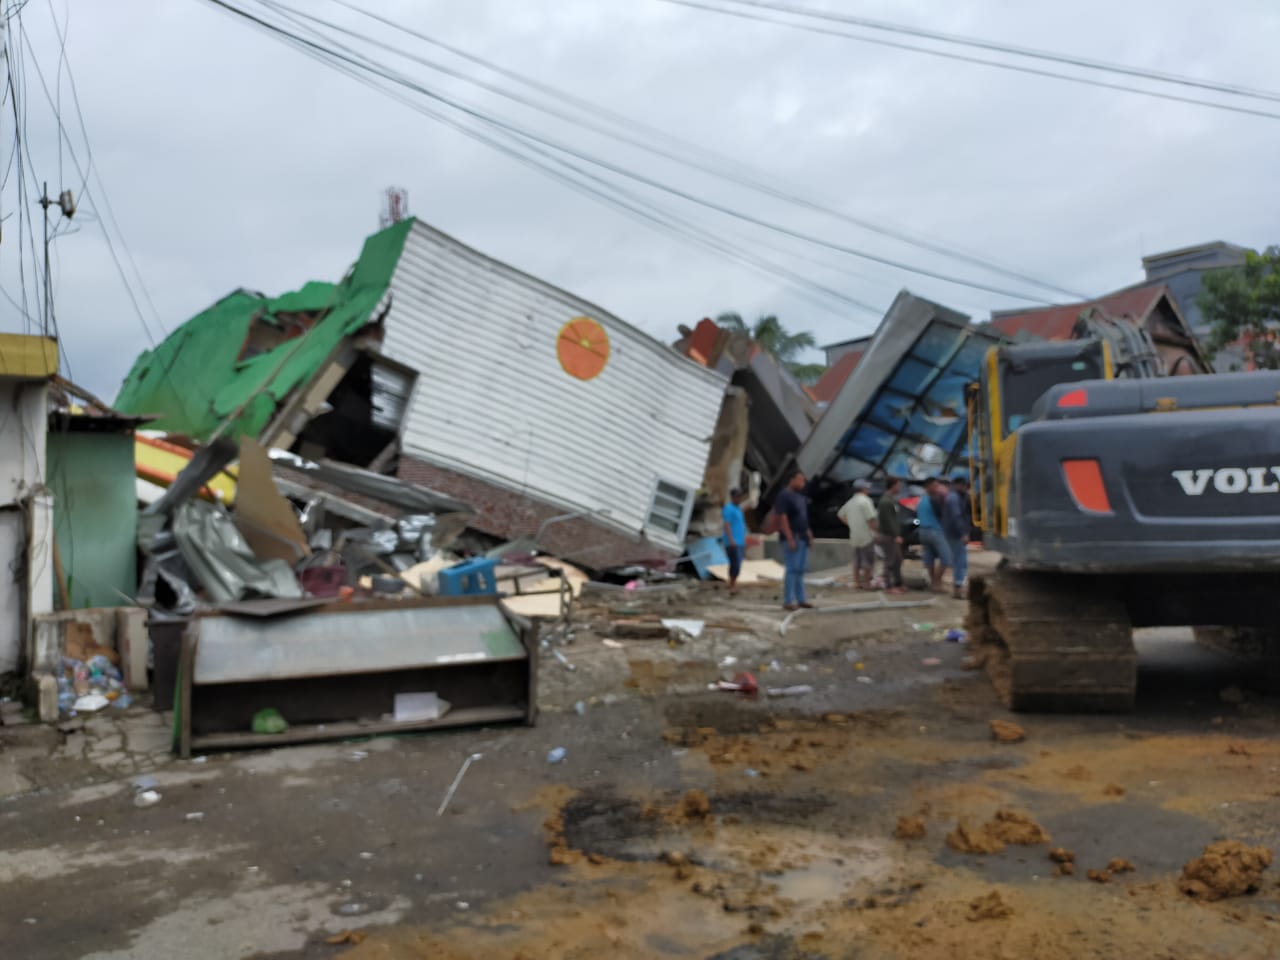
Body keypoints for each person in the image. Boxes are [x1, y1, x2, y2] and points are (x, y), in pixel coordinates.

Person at [774, 470, 814, 611]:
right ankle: (788, 600)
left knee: (801, 569)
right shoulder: (784, 496)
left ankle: (801, 598)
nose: (802, 483)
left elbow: (803, 517)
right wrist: (789, 537)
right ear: (792, 480)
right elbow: (782, 518)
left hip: (803, 535)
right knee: (792, 569)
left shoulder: (800, 497)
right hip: (793, 536)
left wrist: (809, 533)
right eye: (800, 480)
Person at [837, 479, 878, 589]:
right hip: (866, 535)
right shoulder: (866, 501)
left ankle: (857, 582)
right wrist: (876, 531)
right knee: (868, 560)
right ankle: (867, 583)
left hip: (854, 535)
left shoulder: (850, 502)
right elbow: (871, 519)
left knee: (856, 560)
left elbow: (840, 514)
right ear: (864, 489)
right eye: (867, 488)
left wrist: (851, 523)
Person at [915, 476, 952, 592]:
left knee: (929, 557)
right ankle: (937, 581)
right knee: (947, 558)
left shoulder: (921, 500)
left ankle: (933, 582)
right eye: (935, 486)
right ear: (929, 487)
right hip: (935, 531)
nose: (938, 488)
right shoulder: (935, 499)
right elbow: (943, 515)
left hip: (922, 531)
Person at [943, 474, 972, 599]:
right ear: (959, 485)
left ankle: (958, 587)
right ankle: (958, 588)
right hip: (955, 534)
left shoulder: (955, 497)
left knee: (959, 560)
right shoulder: (954, 498)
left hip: (952, 533)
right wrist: (963, 534)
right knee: (960, 561)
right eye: (965, 486)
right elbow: (957, 517)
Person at [876, 477, 906, 594]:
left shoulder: (891, 500)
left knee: (898, 559)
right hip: (888, 536)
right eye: (898, 485)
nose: (899, 488)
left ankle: (898, 583)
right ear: (892, 486)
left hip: (892, 535)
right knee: (890, 561)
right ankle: (889, 586)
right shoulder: (886, 502)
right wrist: (896, 535)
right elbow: (889, 521)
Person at [721, 488, 748, 596]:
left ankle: (732, 582)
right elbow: (727, 525)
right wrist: (731, 540)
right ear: (732, 497)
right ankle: (732, 584)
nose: (739, 499)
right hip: (732, 542)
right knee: (735, 563)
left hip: (739, 541)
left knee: (737, 563)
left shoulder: (738, 509)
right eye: (737, 497)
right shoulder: (728, 508)